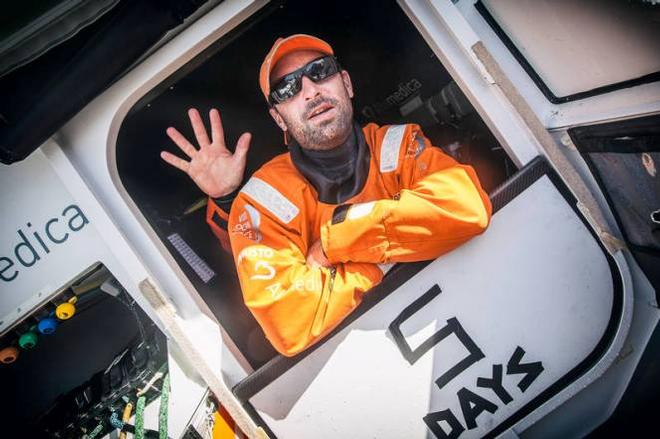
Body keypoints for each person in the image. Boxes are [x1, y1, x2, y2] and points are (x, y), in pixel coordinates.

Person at [161, 34, 492, 356]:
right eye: (287, 89)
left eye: (320, 71)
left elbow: (466, 209)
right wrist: (385, 256)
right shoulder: (262, 199)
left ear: (346, 83)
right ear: (279, 119)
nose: (309, 90)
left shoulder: (399, 143)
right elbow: (290, 324)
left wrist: (332, 246)